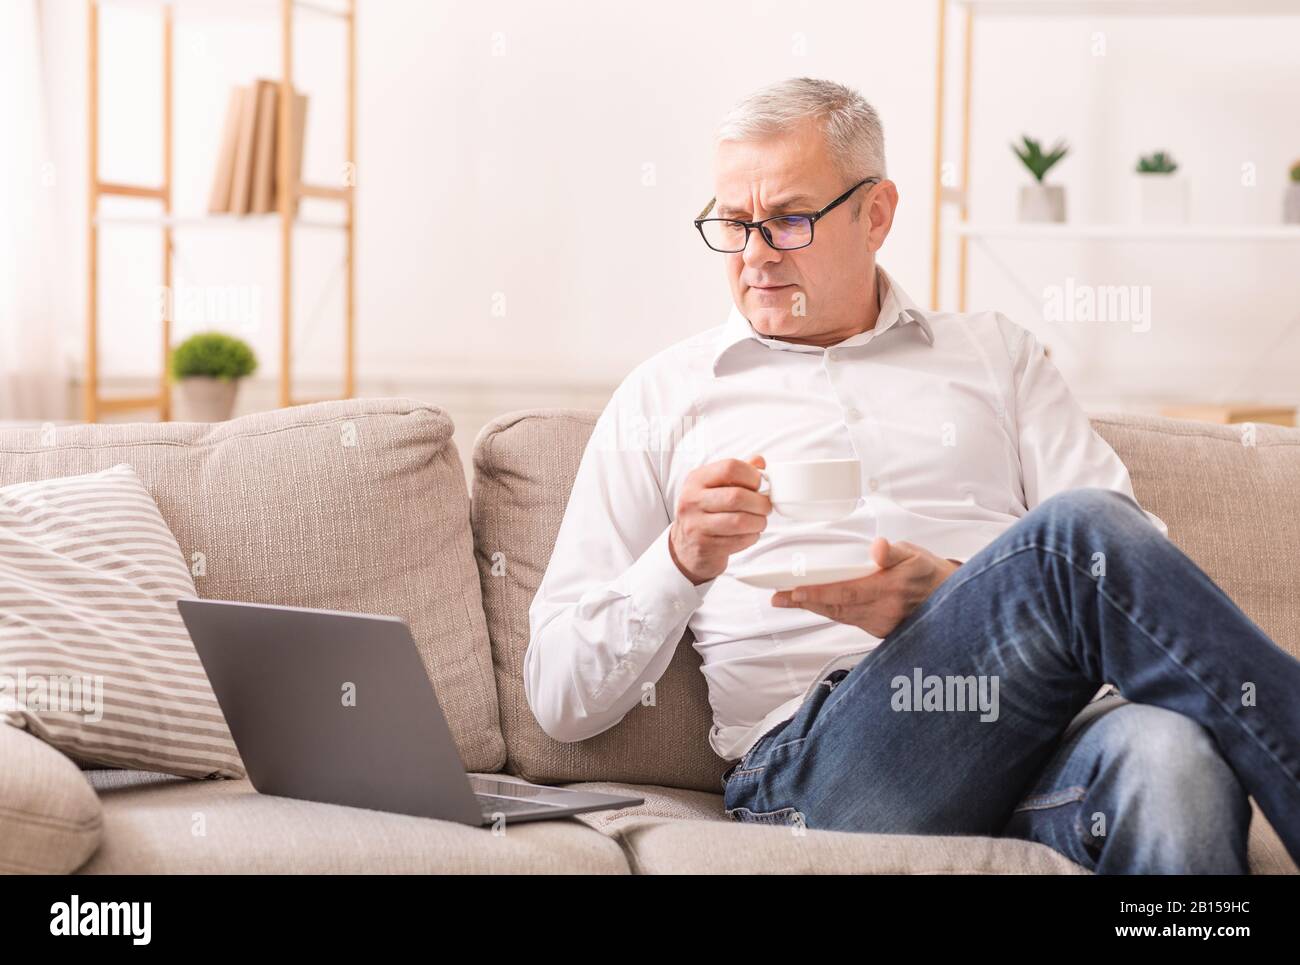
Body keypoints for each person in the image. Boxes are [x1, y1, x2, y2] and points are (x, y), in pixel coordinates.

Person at [525, 77, 1300, 874]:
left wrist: (955, 596)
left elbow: (1136, 576)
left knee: (1172, 753)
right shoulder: (663, 396)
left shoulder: (995, 356)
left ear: (878, 214)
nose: (754, 255)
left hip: (1044, 742)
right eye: (733, 223)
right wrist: (679, 560)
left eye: (788, 220)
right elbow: (559, 697)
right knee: (1078, 534)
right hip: (825, 767)